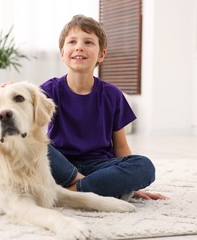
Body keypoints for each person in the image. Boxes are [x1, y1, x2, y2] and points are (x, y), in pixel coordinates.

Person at [40, 15, 167, 200]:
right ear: (62, 54)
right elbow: (23, 110)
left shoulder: (112, 94)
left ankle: (72, 191)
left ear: (101, 54)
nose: (79, 47)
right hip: (59, 165)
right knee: (35, 145)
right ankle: (93, 187)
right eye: (72, 41)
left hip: (99, 165)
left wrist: (131, 181)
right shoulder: (49, 90)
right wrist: (7, 92)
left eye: (88, 42)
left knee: (144, 166)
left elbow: (121, 146)